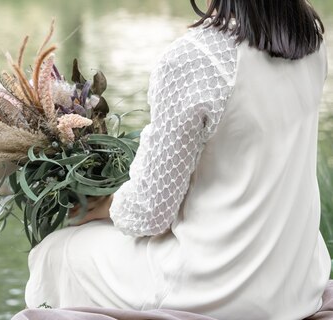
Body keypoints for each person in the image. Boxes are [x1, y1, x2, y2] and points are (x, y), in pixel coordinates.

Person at [22, 0, 331, 319]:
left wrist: (101, 205)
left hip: (219, 284)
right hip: (296, 282)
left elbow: (149, 215)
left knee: (57, 251)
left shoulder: (198, 57)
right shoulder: (311, 46)